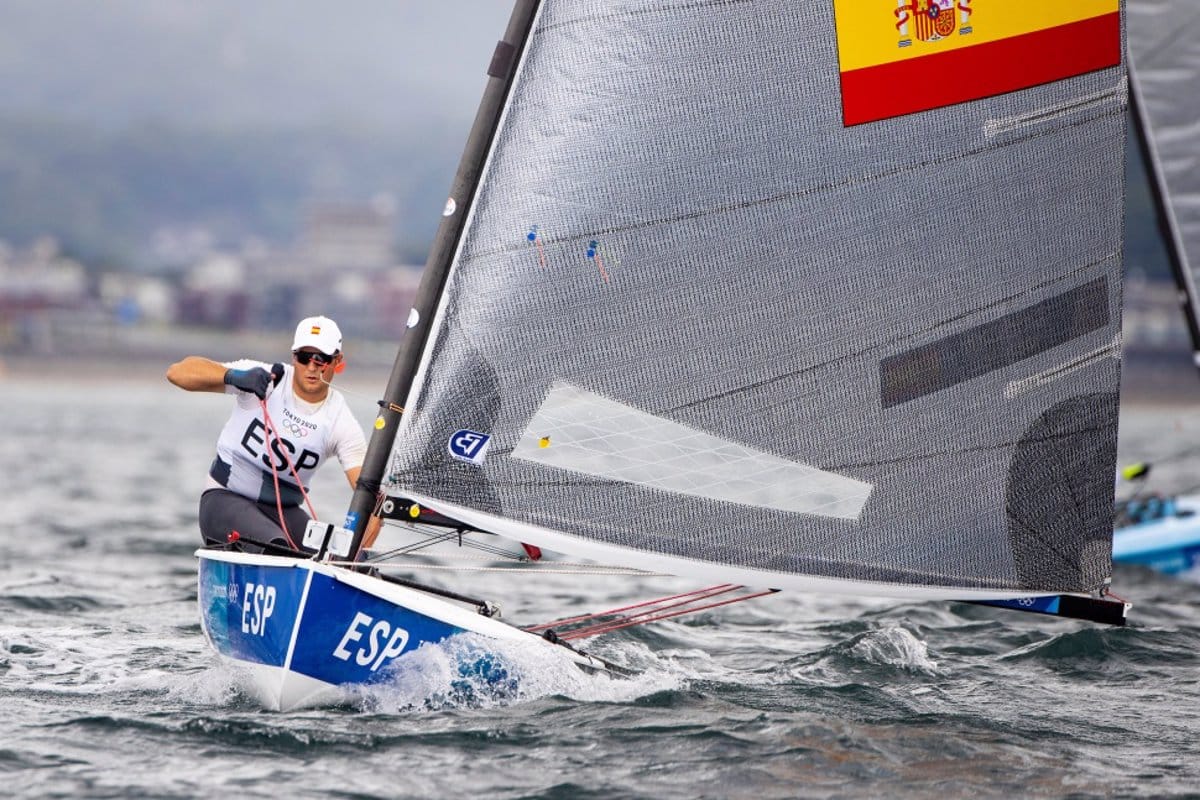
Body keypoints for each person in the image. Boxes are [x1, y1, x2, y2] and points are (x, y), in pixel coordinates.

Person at [166, 315, 368, 553]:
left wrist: (354, 555)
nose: (312, 367)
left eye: (321, 359)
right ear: (294, 357)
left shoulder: (339, 420)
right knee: (276, 549)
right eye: (304, 357)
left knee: (347, 558)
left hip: (285, 514)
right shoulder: (266, 378)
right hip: (225, 500)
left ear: (337, 361)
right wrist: (235, 377)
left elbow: (369, 496)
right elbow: (177, 372)